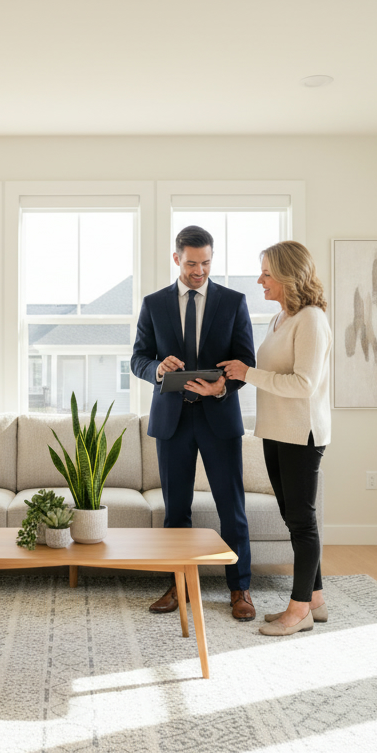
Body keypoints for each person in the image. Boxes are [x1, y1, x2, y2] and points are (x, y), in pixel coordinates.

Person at [131, 226, 258, 621]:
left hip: (219, 419)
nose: (199, 270)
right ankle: (178, 584)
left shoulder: (234, 302)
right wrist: (157, 368)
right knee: (176, 512)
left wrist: (221, 388)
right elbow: (138, 358)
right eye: (191, 263)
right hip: (172, 422)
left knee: (231, 508)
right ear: (176, 260)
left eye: (205, 263)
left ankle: (240, 589)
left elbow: (245, 362)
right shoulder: (154, 304)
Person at [218, 240, 331, 636]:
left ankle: (298, 610)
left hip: (302, 433)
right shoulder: (281, 318)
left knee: (302, 522)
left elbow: (304, 384)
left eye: (267, 273)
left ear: (287, 275)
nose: (260, 280)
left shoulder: (312, 320)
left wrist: (247, 373)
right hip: (276, 431)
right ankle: (314, 599)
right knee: (292, 517)